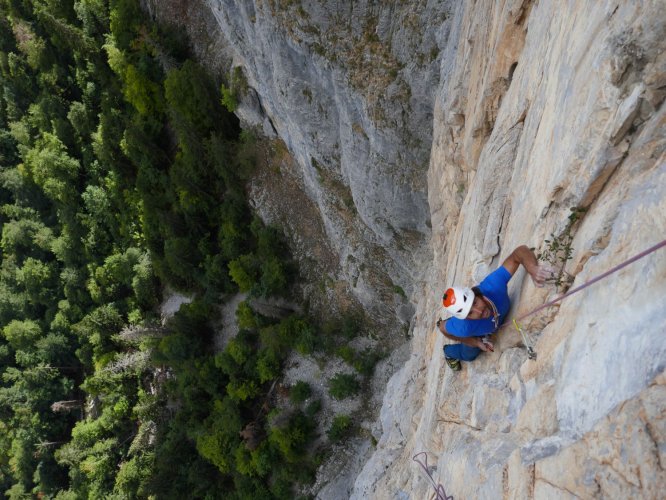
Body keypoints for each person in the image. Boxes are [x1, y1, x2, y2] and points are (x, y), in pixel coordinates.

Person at [436, 245, 551, 371]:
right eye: (470, 313)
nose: (479, 311)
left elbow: (519, 253)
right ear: (465, 318)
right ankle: (448, 352)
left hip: (481, 326)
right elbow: (443, 328)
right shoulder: (463, 327)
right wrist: (475, 342)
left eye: (475, 303)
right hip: (473, 331)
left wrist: (533, 269)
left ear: (476, 294)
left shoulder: (493, 286)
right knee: (468, 356)